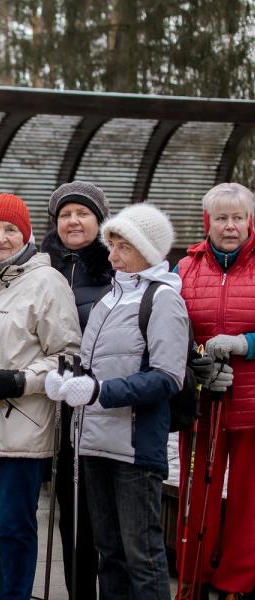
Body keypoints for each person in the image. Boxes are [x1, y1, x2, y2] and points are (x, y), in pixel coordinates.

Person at [46, 202, 189, 600]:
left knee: (141, 555)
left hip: (133, 447)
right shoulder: (109, 300)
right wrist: (68, 380)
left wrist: (98, 392)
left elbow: (167, 377)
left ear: (146, 248)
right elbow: (95, 367)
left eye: (122, 246)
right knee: (109, 553)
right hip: (92, 443)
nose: (112, 256)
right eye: (111, 245)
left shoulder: (163, 300)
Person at [0, 193, 81, 600]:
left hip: (21, 429)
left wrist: (22, 380)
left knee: (13, 527)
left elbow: (68, 355)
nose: (0, 237)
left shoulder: (47, 282)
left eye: (11, 230)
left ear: (26, 235)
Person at [175, 182, 255, 600]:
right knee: (196, 492)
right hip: (203, 399)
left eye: (237, 217)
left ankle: (237, 583)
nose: (229, 226)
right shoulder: (185, 268)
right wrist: (194, 358)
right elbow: (169, 326)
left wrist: (247, 344)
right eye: (221, 218)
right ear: (208, 222)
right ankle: (192, 577)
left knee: (248, 498)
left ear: (249, 221)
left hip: (252, 402)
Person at [40, 180, 112, 599]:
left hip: (102, 401)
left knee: (99, 509)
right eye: (66, 214)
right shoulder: (42, 264)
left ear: (99, 221)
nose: (73, 221)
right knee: (70, 511)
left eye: (82, 213)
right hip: (56, 401)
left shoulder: (115, 263)